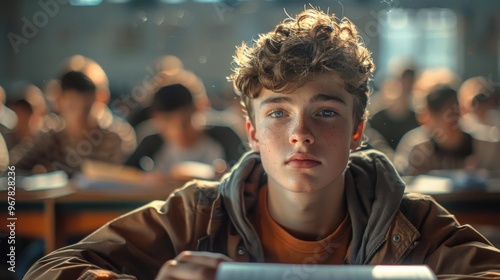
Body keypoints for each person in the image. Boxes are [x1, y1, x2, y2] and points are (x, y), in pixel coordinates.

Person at [24, 8, 500, 280]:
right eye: (277, 113)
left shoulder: (410, 221)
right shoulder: (199, 213)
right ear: (250, 131)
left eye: (327, 112)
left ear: (358, 130)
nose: (301, 133)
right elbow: (49, 269)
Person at [13, 71, 124, 176]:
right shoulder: (50, 136)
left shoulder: (114, 138)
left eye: (87, 109)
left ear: (98, 101)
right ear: (60, 102)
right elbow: (13, 169)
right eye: (72, 106)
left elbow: (123, 180)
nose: (79, 115)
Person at [124, 83, 243, 182]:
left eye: (185, 122)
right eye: (168, 122)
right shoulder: (150, 143)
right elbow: (124, 173)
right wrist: (145, 178)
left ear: (198, 110)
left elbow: (246, 170)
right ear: (156, 119)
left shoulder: (225, 136)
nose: (178, 131)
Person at [395, 84, 500, 176]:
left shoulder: (487, 146)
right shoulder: (416, 147)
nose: (453, 120)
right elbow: (404, 183)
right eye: (447, 115)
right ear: (427, 117)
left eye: (455, 112)